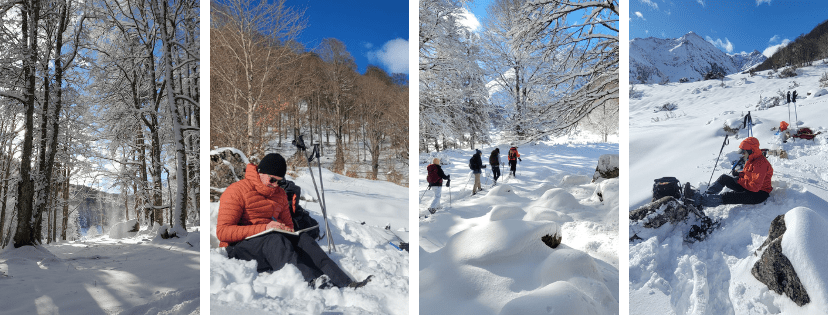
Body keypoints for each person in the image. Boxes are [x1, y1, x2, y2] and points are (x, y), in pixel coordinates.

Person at [216, 153, 372, 289]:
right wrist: (265, 228)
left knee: (303, 239)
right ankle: (308, 281)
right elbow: (223, 232)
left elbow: (288, 225)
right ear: (260, 172)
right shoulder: (237, 191)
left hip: (269, 242)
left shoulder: (280, 194)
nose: (275, 185)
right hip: (239, 248)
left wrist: (287, 230)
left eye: (279, 181)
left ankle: (343, 282)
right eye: (272, 179)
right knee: (275, 240)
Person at [692, 137, 773, 208]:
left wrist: (738, 180)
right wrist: (739, 174)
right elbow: (749, 175)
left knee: (728, 196)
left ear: (751, 151)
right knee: (724, 178)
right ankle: (705, 197)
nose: (742, 154)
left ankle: (700, 201)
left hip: (758, 194)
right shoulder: (752, 159)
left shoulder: (760, 164)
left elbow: (755, 187)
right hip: (749, 187)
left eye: (744, 152)